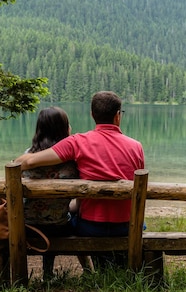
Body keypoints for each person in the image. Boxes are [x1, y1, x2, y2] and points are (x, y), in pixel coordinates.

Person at [16, 91, 145, 270]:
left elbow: (29, 160)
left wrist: (16, 162)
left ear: (92, 115)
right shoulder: (136, 146)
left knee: (76, 214)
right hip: (128, 226)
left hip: (91, 227)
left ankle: (95, 268)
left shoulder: (77, 142)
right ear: (117, 116)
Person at [21, 106, 91, 279]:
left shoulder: (27, 158)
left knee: (49, 214)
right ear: (64, 129)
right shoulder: (71, 163)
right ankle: (88, 270)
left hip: (26, 227)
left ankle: (44, 273)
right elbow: (78, 201)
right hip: (59, 227)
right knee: (72, 216)